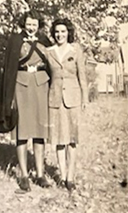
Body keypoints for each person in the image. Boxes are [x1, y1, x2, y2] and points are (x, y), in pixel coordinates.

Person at [2, 9, 52, 192]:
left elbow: (52, 64)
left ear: (39, 25)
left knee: (40, 132)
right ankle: (24, 175)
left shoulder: (45, 41)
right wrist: (10, 99)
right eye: (29, 23)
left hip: (41, 86)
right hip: (21, 87)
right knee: (21, 132)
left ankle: (40, 174)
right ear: (24, 23)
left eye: (35, 24)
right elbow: (9, 69)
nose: (31, 27)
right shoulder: (15, 40)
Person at [47, 18, 88, 191]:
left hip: (73, 99)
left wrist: (85, 98)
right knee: (58, 139)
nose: (60, 34)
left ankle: (70, 177)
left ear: (68, 32)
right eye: (57, 31)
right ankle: (62, 176)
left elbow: (83, 76)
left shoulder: (76, 49)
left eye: (63, 31)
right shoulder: (49, 51)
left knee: (72, 139)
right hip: (55, 99)